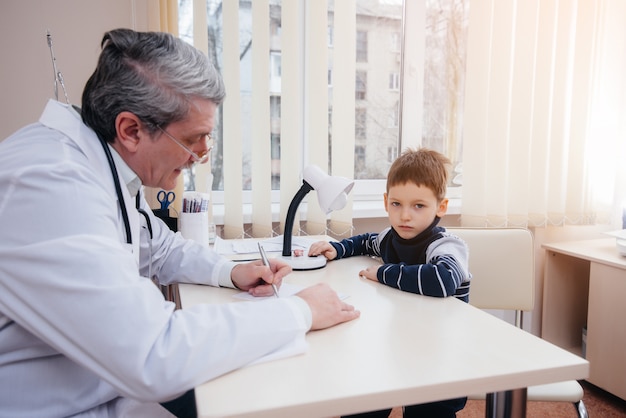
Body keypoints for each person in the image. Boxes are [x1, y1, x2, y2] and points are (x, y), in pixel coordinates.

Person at [0, 28, 359, 418]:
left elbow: (156, 246)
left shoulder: (103, 165)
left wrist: (231, 271)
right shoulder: (51, 186)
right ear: (131, 130)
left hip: (100, 385)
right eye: (195, 138)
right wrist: (300, 312)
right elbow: (154, 354)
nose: (202, 154)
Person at [308, 148, 471, 418]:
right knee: (362, 399)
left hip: (441, 357)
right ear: (386, 202)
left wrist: (384, 272)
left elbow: (442, 281)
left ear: (440, 207)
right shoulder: (390, 238)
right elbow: (364, 241)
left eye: (418, 206)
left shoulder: (446, 246)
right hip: (397, 345)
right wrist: (338, 248)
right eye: (397, 204)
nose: (405, 216)